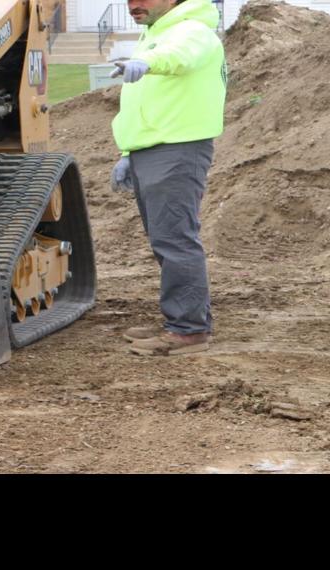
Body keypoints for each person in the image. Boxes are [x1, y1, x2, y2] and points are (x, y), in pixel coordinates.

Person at [110, 0, 227, 356]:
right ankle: (181, 318)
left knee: (176, 240)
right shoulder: (154, 35)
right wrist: (130, 154)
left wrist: (148, 62)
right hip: (153, 149)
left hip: (177, 149)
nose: (134, 5)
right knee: (165, 239)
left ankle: (188, 331)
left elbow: (181, 57)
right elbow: (150, 101)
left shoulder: (191, 30)